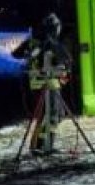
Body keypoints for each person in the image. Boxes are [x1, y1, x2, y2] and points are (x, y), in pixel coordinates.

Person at [12, 12, 71, 153]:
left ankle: (41, 145)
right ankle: (43, 145)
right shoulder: (48, 43)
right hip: (48, 84)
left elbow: (16, 54)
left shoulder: (37, 42)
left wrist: (29, 53)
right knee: (51, 116)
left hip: (40, 84)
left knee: (50, 116)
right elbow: (63, 61)